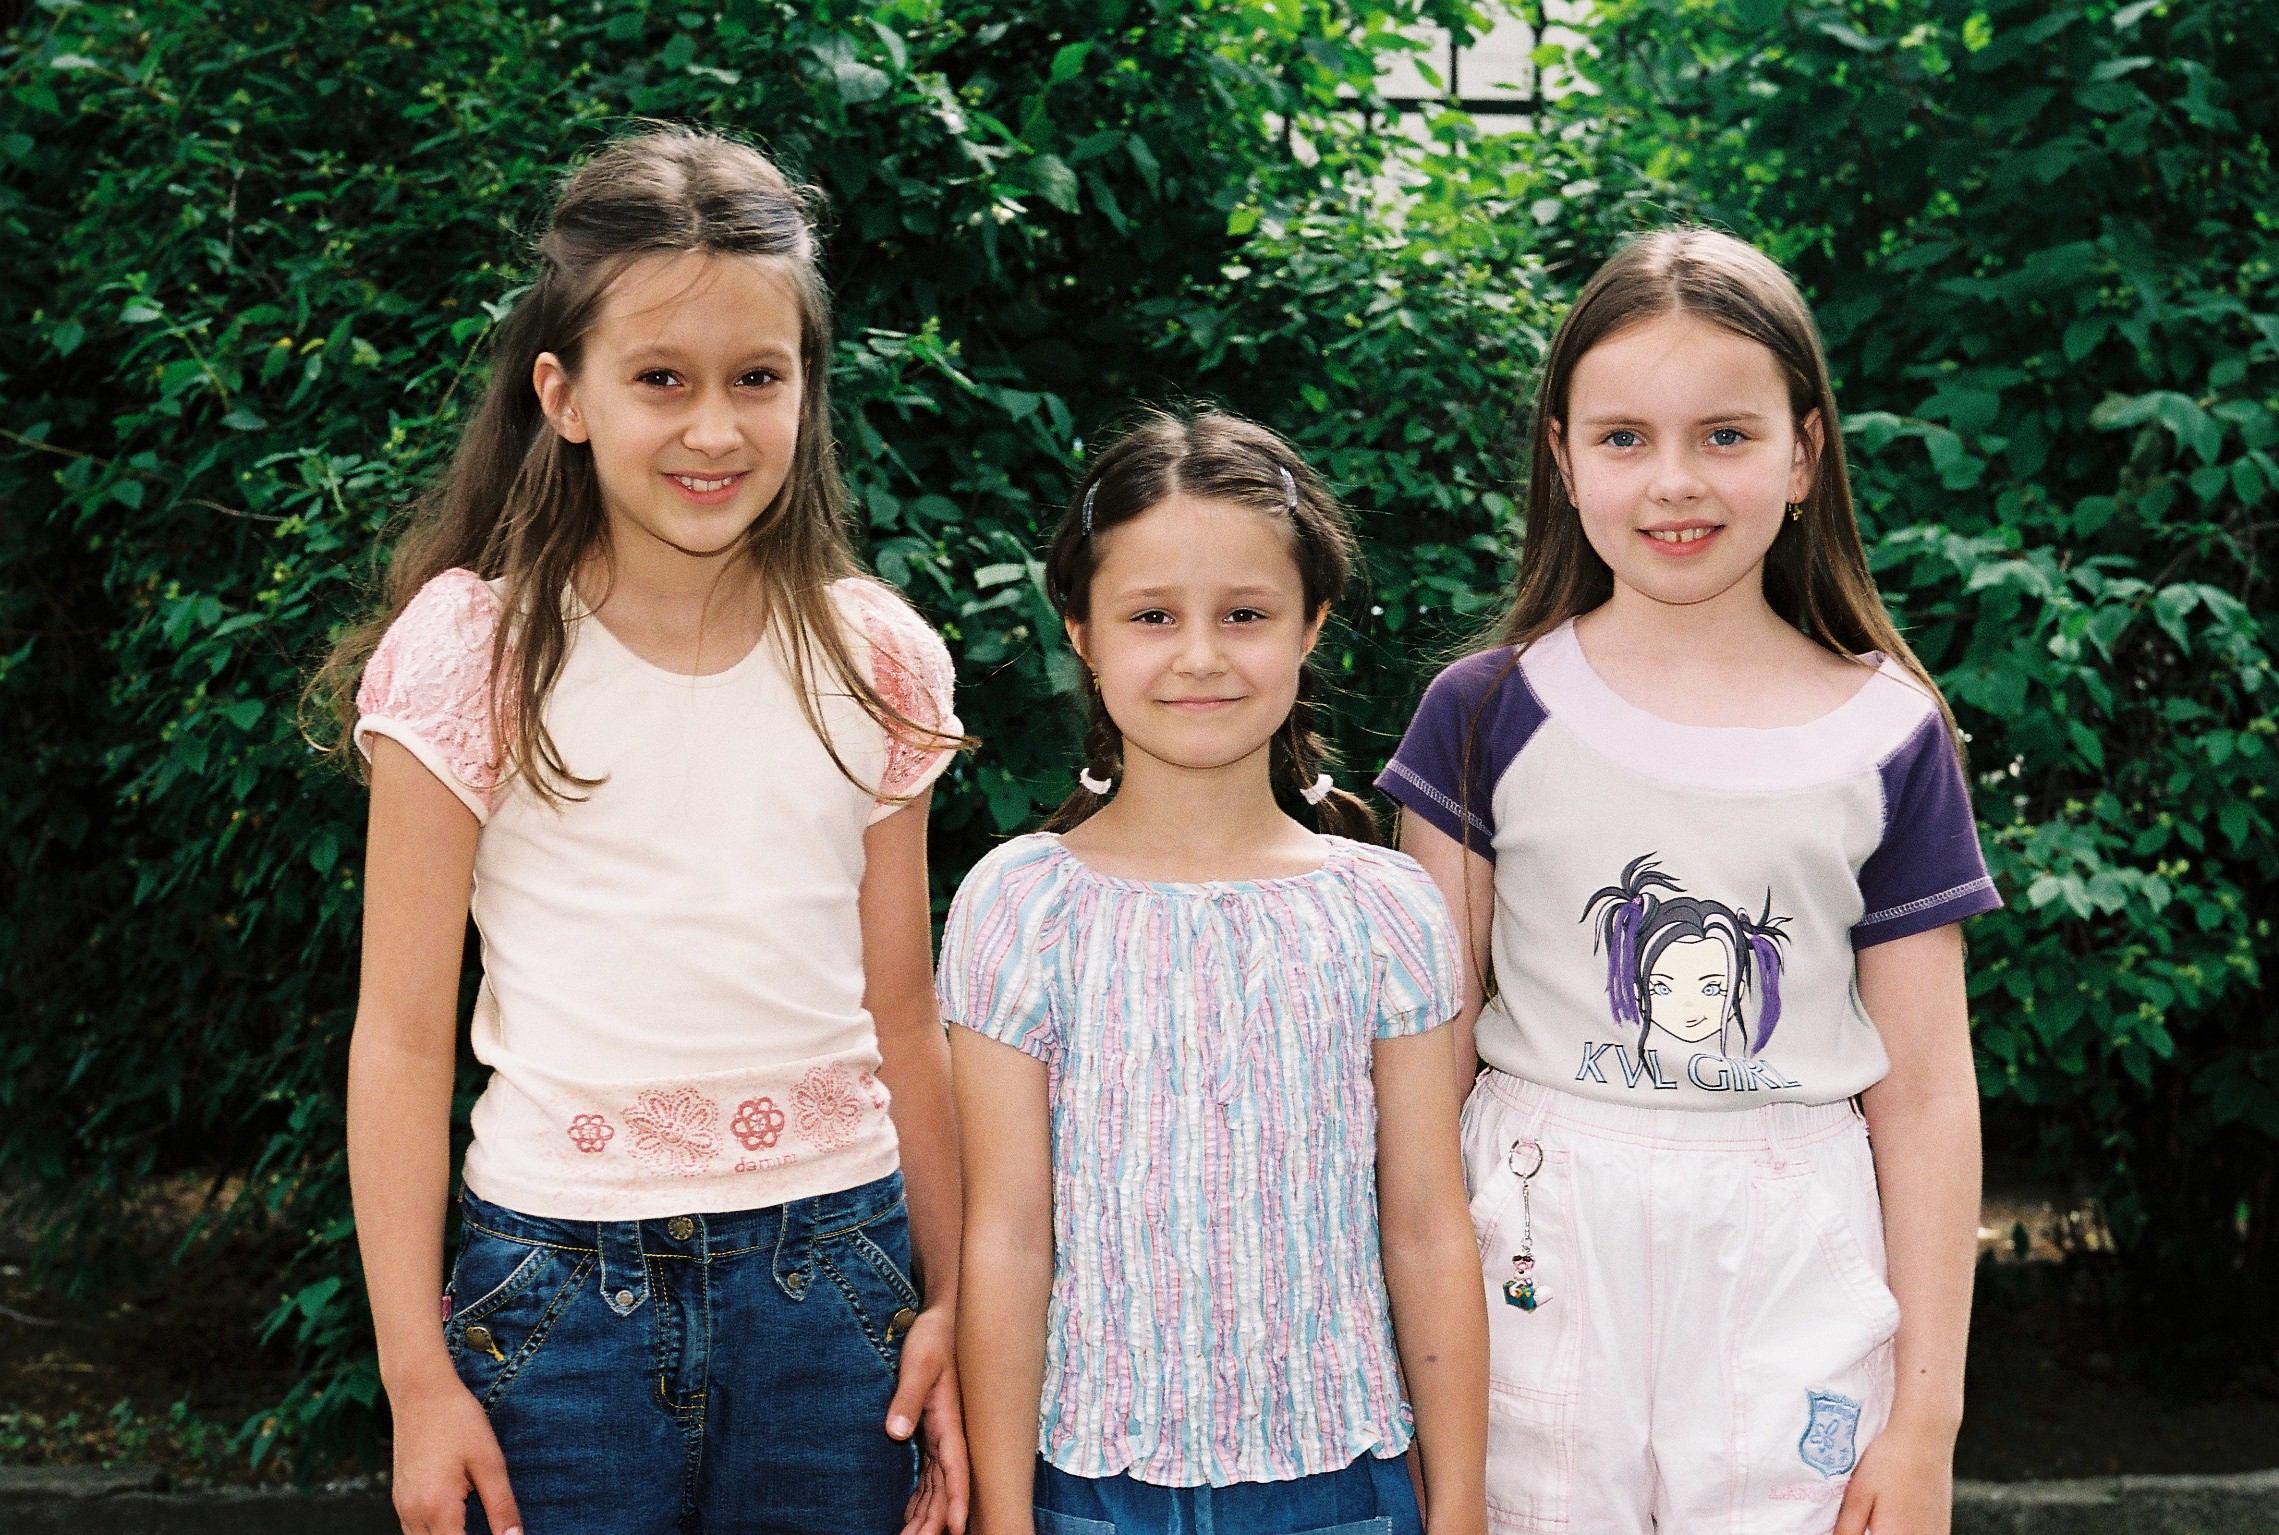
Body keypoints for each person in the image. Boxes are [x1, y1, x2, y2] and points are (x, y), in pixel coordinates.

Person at [320, 126, 968, 1535]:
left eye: (757, 378)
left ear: (807, 388)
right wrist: (416, 1376)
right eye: (661, 379)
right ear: (563, 394)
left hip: (839, 1285)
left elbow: (906, 1012)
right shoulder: (473, 654)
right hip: (554, 1301)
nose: (714, 429)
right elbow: (402, 1036)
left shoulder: (877, 659)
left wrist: (956, 1301)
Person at [1380, 228, 1998, 1535]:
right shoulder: (1483, 715)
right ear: (1561, 458)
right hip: (1533, 1243)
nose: (1673, 480)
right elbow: (1418, 1071)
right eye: (1622, 437)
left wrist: (1925, 1421)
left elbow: (1928, 1092)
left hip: (1792, 1259)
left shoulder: (1887, 732)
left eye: (1724, 434)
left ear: (1802, 453)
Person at [943, 411, 1489, 1535]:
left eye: (1244, 614)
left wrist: (1461, 1507)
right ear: (1082, 632)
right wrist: (1002, 1514)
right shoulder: (1022, 903)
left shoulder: (1383, 905)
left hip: (1341, 1486)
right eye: (1152, 615)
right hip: (1087, 1486)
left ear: (1311, 623)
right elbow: (1005, 1236)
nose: (1199, 654)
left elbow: (1427, 1225)